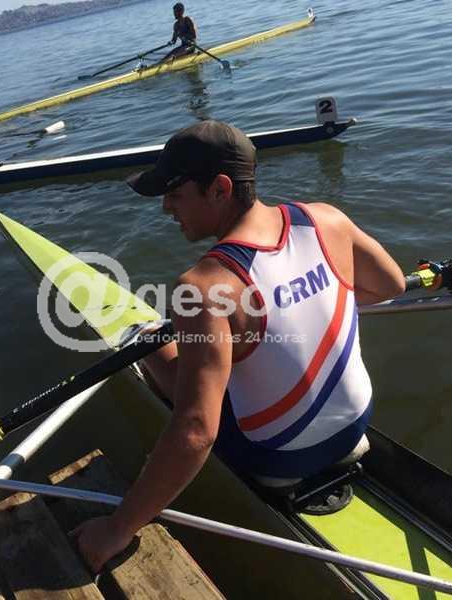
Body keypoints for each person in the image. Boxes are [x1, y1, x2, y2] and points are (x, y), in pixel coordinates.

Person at [70, 120, 405, 572]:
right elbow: (390, 285)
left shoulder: (203, 287)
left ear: (220, 189)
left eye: (175, 194)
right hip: (356, 424)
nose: (166, 207)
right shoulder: (327, 219)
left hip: (279, 458)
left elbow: (196, 433)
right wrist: (309, 305)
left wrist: (116, 529)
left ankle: (145, 341)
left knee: (160, 356)